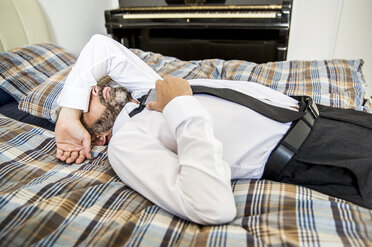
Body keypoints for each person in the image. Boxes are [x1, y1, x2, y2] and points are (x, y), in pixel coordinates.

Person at [55, 34, 372, 225]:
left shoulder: (148, 90)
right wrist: (179, 106)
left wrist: (70, 112)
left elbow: (101, 47)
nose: (93, 89)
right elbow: (209, 206)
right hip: (314, 153)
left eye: (88, 88)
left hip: (327, 116)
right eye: (85, 101)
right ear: (97, 136)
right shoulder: (125, 143)